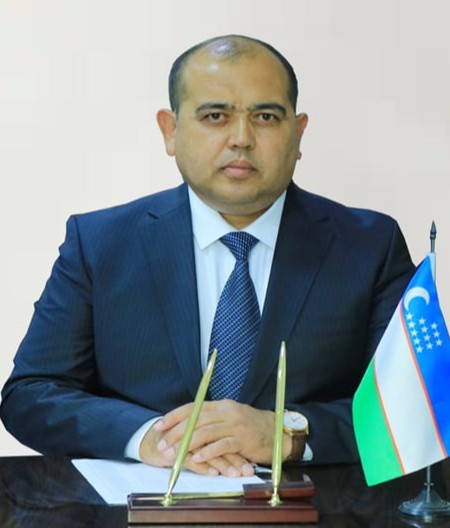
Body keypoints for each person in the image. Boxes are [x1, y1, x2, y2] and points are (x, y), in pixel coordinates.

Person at [0, 34, 415, 478]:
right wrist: (150, 437)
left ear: (298, 133)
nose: (242, 138)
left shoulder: (370, 246)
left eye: (266, 117)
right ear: (170, 131)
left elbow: (414, 407)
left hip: (316, 514)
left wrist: (285, 431)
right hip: (138, 515)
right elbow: (32, 393)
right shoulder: (100, 244)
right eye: (215, 116)